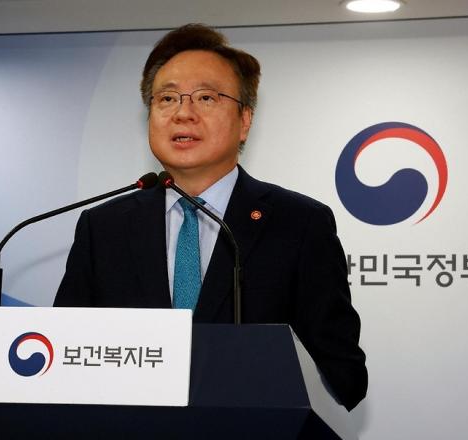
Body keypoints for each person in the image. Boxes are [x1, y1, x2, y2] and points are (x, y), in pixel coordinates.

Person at [54, 24, 367, 411]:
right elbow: (64, 359)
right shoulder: (103, 228)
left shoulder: (300, 225)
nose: (183, 113)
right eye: (167, 98)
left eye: (205, 97)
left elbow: (345, 376)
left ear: (245, 120)